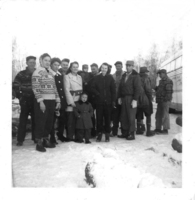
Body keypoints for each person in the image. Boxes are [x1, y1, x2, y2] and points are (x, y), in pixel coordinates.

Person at [32, 53, 61, 152]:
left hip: (51, 100)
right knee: (41, 121)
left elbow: (54, 87)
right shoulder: (37, 72)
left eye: (49, 61)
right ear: (41, 60)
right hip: (42, 101)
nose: (48, 62)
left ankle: (45, 140)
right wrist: (41, 102)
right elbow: (35, 88)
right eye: (45, 60)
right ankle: (39, 142)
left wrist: (57, 100)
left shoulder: (50, 73)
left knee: (49, 121)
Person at [13, 56, 36, 146]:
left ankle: (35, 138)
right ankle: (20, 140)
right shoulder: (21, 74)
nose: (32, 64)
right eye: (30, 62)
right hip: (25, 99)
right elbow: (15, 86)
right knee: (23, 120)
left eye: (34, 62)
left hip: (35, 99)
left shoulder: (37, 73)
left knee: (35, 119)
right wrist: (20, 97)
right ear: (26, 63)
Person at [91, 63, 116, 142]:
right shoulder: (97, 77)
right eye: (102, 68)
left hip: (108, 102)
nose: (104, 69)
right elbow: (92, 88)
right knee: (99, 118)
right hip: (99, 102)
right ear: (100, 68)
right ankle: (99, 134)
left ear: (107, 69)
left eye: (105, 68)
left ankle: (107, 135)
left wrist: (113, 100)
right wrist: (97, 93)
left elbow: (113, 90)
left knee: (108, 118)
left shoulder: (110, 77)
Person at [118, 60, 141, 140]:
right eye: (127, 65)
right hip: (124, 98)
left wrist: (135, 99)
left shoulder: (135, 76)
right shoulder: (124, 75)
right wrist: (120, 97)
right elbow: (120, 87)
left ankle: (131, 134)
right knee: (123, 116)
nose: (128, 67)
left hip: (131, 98)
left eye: (129, 66)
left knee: (131, 117)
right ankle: (125, 132)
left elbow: (138, 89)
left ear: (132, 67)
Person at [50, 57, 67, 143]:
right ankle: (52, 137)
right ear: (51, 65)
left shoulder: (59, 74)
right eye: (55, 65)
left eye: (58, 65)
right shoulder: (49, 74)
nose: (57, 67)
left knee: (62, 119)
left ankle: (60, 135)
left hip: (61, 100)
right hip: (53, 100)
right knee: (53, 120)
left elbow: (62, 88)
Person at [64, 61, 83, 141]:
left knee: (78, 119)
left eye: (76, 67)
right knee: (70, 119)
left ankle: (78, 136)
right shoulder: (67, 77)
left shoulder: (80, 77)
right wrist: (71, 102)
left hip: (79, 99)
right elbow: (66, 90)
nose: (75, 68)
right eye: (73, 67)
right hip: (72, 99)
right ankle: (70, 136)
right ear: (70, 68)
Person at [152, 69, 173, 134]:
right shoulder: (161, 81)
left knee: (165, 115)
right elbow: (160, 89)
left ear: (164, 73)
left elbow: (169, 92)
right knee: (158, 115)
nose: (159, 75)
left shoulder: (168, 81)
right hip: (160, 101)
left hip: (165, 101)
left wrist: (166, 100)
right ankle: (158, 128)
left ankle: (165, 129)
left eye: (160, 74)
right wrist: (155, 88)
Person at [136, 67, 155, 137]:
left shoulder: (136, 78)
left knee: (139, 115)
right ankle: (148, 131)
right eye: (146, 72)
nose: (147, 73)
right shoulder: (146, 78)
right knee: (148, 114)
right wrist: (150, 99)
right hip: (145, 99)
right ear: (144, 72)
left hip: (137, 100)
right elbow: (148, 90)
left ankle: (138, 129)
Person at [111, 61, 125, 136]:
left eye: (119, 66)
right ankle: (114, 131)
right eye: (116, 66)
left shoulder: (125, 75)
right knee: (115, 115)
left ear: (122, 66)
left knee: (123, 115)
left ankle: (124, 131)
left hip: (123, 98)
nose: (118, 67)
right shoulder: (113, 76)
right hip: (115, 97)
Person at [86, 63, 99, 138]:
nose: (93, 70)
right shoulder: (89, 76)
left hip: (99, 98)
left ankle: (100, 130)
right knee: (91, 115)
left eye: (94, 69)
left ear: (97, 69)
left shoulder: (100, 76)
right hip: (91, 99)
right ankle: (92, 131)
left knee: (99, 115)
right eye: (92, 69)